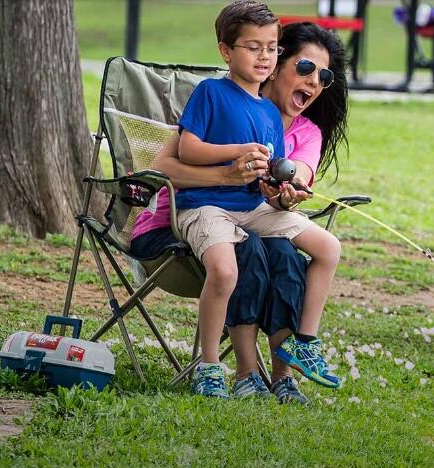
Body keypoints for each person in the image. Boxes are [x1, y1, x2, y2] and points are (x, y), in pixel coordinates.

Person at [130, 19, 349, 403]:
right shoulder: (219, 98)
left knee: (284, 254)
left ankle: (285, 372)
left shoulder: (301, 132)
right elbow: (168, 163)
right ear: (277, 66)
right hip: (185, 222)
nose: (314, 81)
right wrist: (229, 171)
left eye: (324, 75)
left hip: (251, 216)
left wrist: (283, 192)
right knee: (250, 251)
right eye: (304, 68)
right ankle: (243, 371)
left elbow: (295, 177)